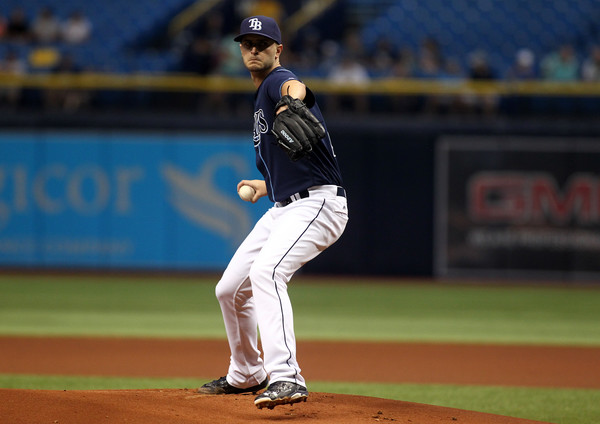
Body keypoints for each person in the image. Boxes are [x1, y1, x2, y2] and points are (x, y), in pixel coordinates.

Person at [197, 15, 348, 410]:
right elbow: (293, 166)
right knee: (229, 289)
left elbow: (295, 87)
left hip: (319, 204)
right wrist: (264, 184)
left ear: (277, 50)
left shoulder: (277, 82)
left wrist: (293, 101)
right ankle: (246, 372)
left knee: (266, 273)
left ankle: (287, 376)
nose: (253, 49)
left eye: (262, 44)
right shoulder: (261, 98)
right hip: (286, 205)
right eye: (247, 43)